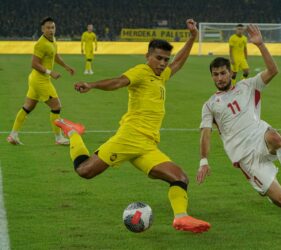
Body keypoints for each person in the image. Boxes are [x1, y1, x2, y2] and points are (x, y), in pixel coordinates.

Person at [55, 19, 211, 233]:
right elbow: (118, 81)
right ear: (148, 56)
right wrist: (92, 84)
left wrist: (192, 37)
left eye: (165, 59)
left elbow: (178, 63)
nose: (163, 63)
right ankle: (73, 132)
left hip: (147, 145)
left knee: (180, 177)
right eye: (158, 58)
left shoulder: (161, 76)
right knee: (85, 171)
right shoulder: (141, 71)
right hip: (129, 137)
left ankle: (181, 218)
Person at [197, 24, 281, 207]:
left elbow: (273, 71)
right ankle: (268, 191)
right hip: (244, 155)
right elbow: (205, 133)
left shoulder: (248, 85)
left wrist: (261, 45)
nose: (219, 78)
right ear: (212, 77)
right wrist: (204, 160)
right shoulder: (209, 105)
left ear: (231, 73)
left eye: (223, 73)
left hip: (259, 135)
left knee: (276, 137)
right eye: (215, 75)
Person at [7, 16, 75, 146]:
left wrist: (66, 67)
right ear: (43, 29)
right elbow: (34, 64)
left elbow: (55, 55)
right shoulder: (40, 44)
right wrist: (51, 72)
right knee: (56, 106)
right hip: (40, 80)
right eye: (48, 28)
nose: (51, 30)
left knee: (28, 107)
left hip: (35, 79)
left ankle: (13, 134)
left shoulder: (53, 40)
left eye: (53, 27)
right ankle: (58, 138)